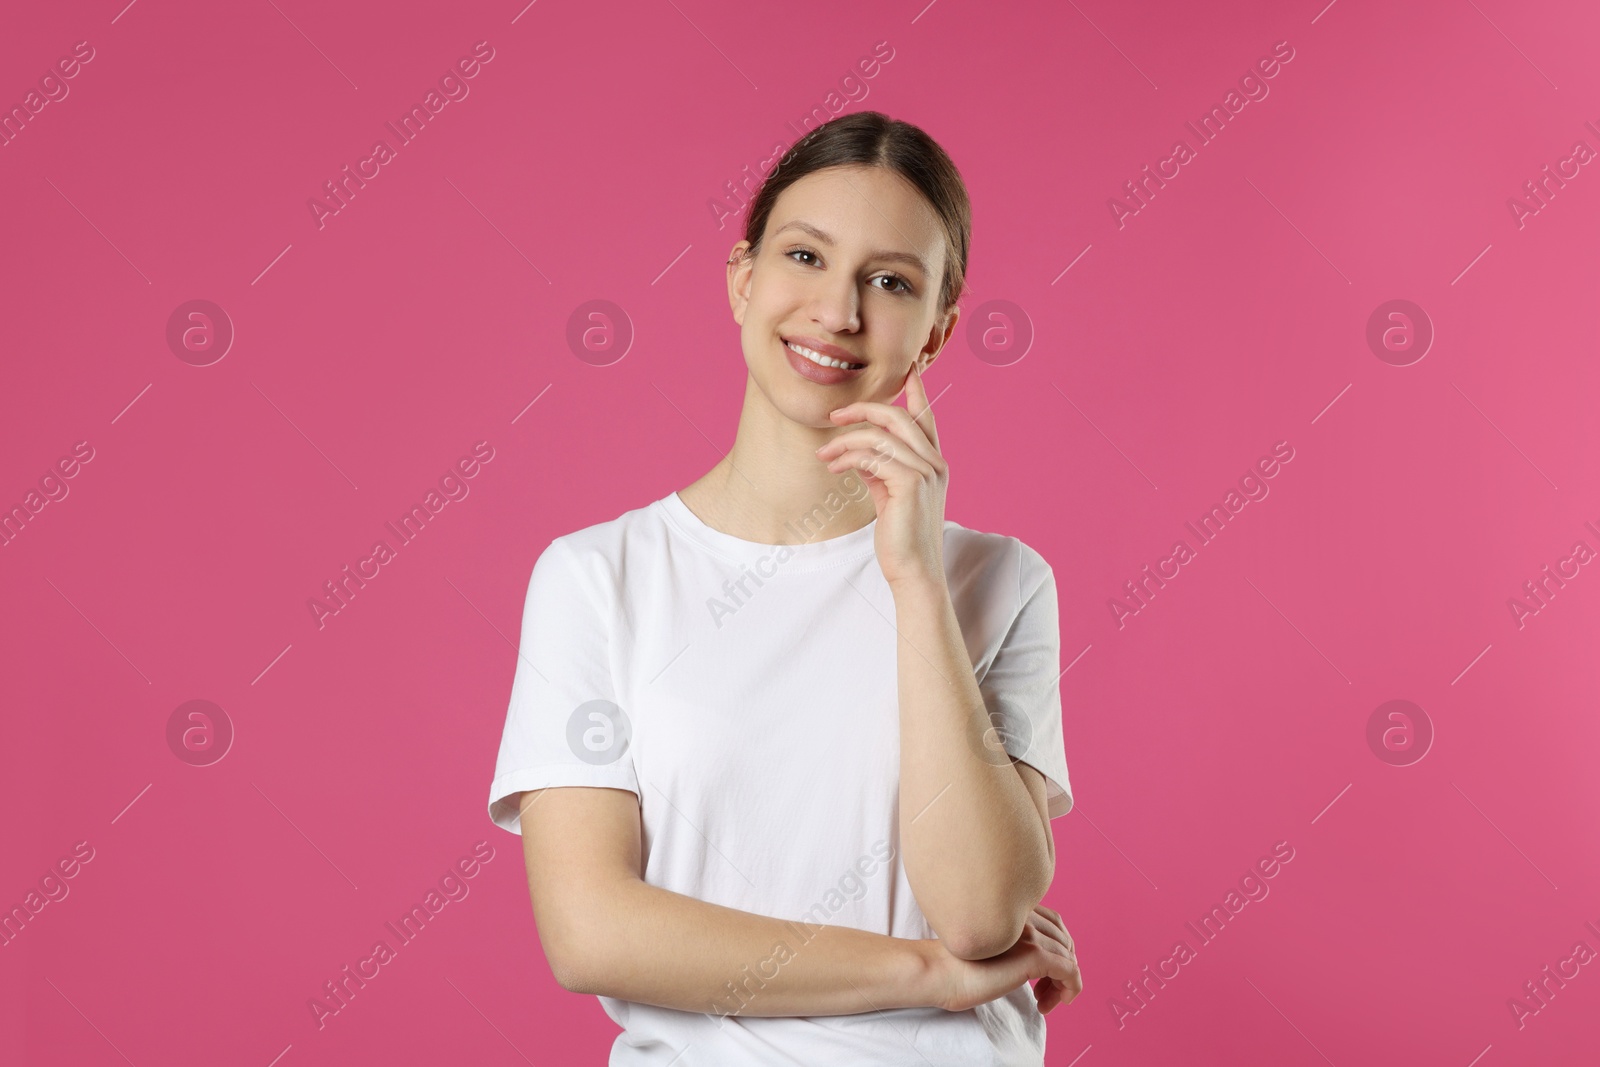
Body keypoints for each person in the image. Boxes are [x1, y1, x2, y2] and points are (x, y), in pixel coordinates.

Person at [486, 109, 1081, 1065]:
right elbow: (593, 930)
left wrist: (915, 578)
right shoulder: (597, 579)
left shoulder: (999, 581)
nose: (839, 311)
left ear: (938, 329)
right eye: (805, 258)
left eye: (891, 282)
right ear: (742, 278)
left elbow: (977, 911)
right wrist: (924, 974)